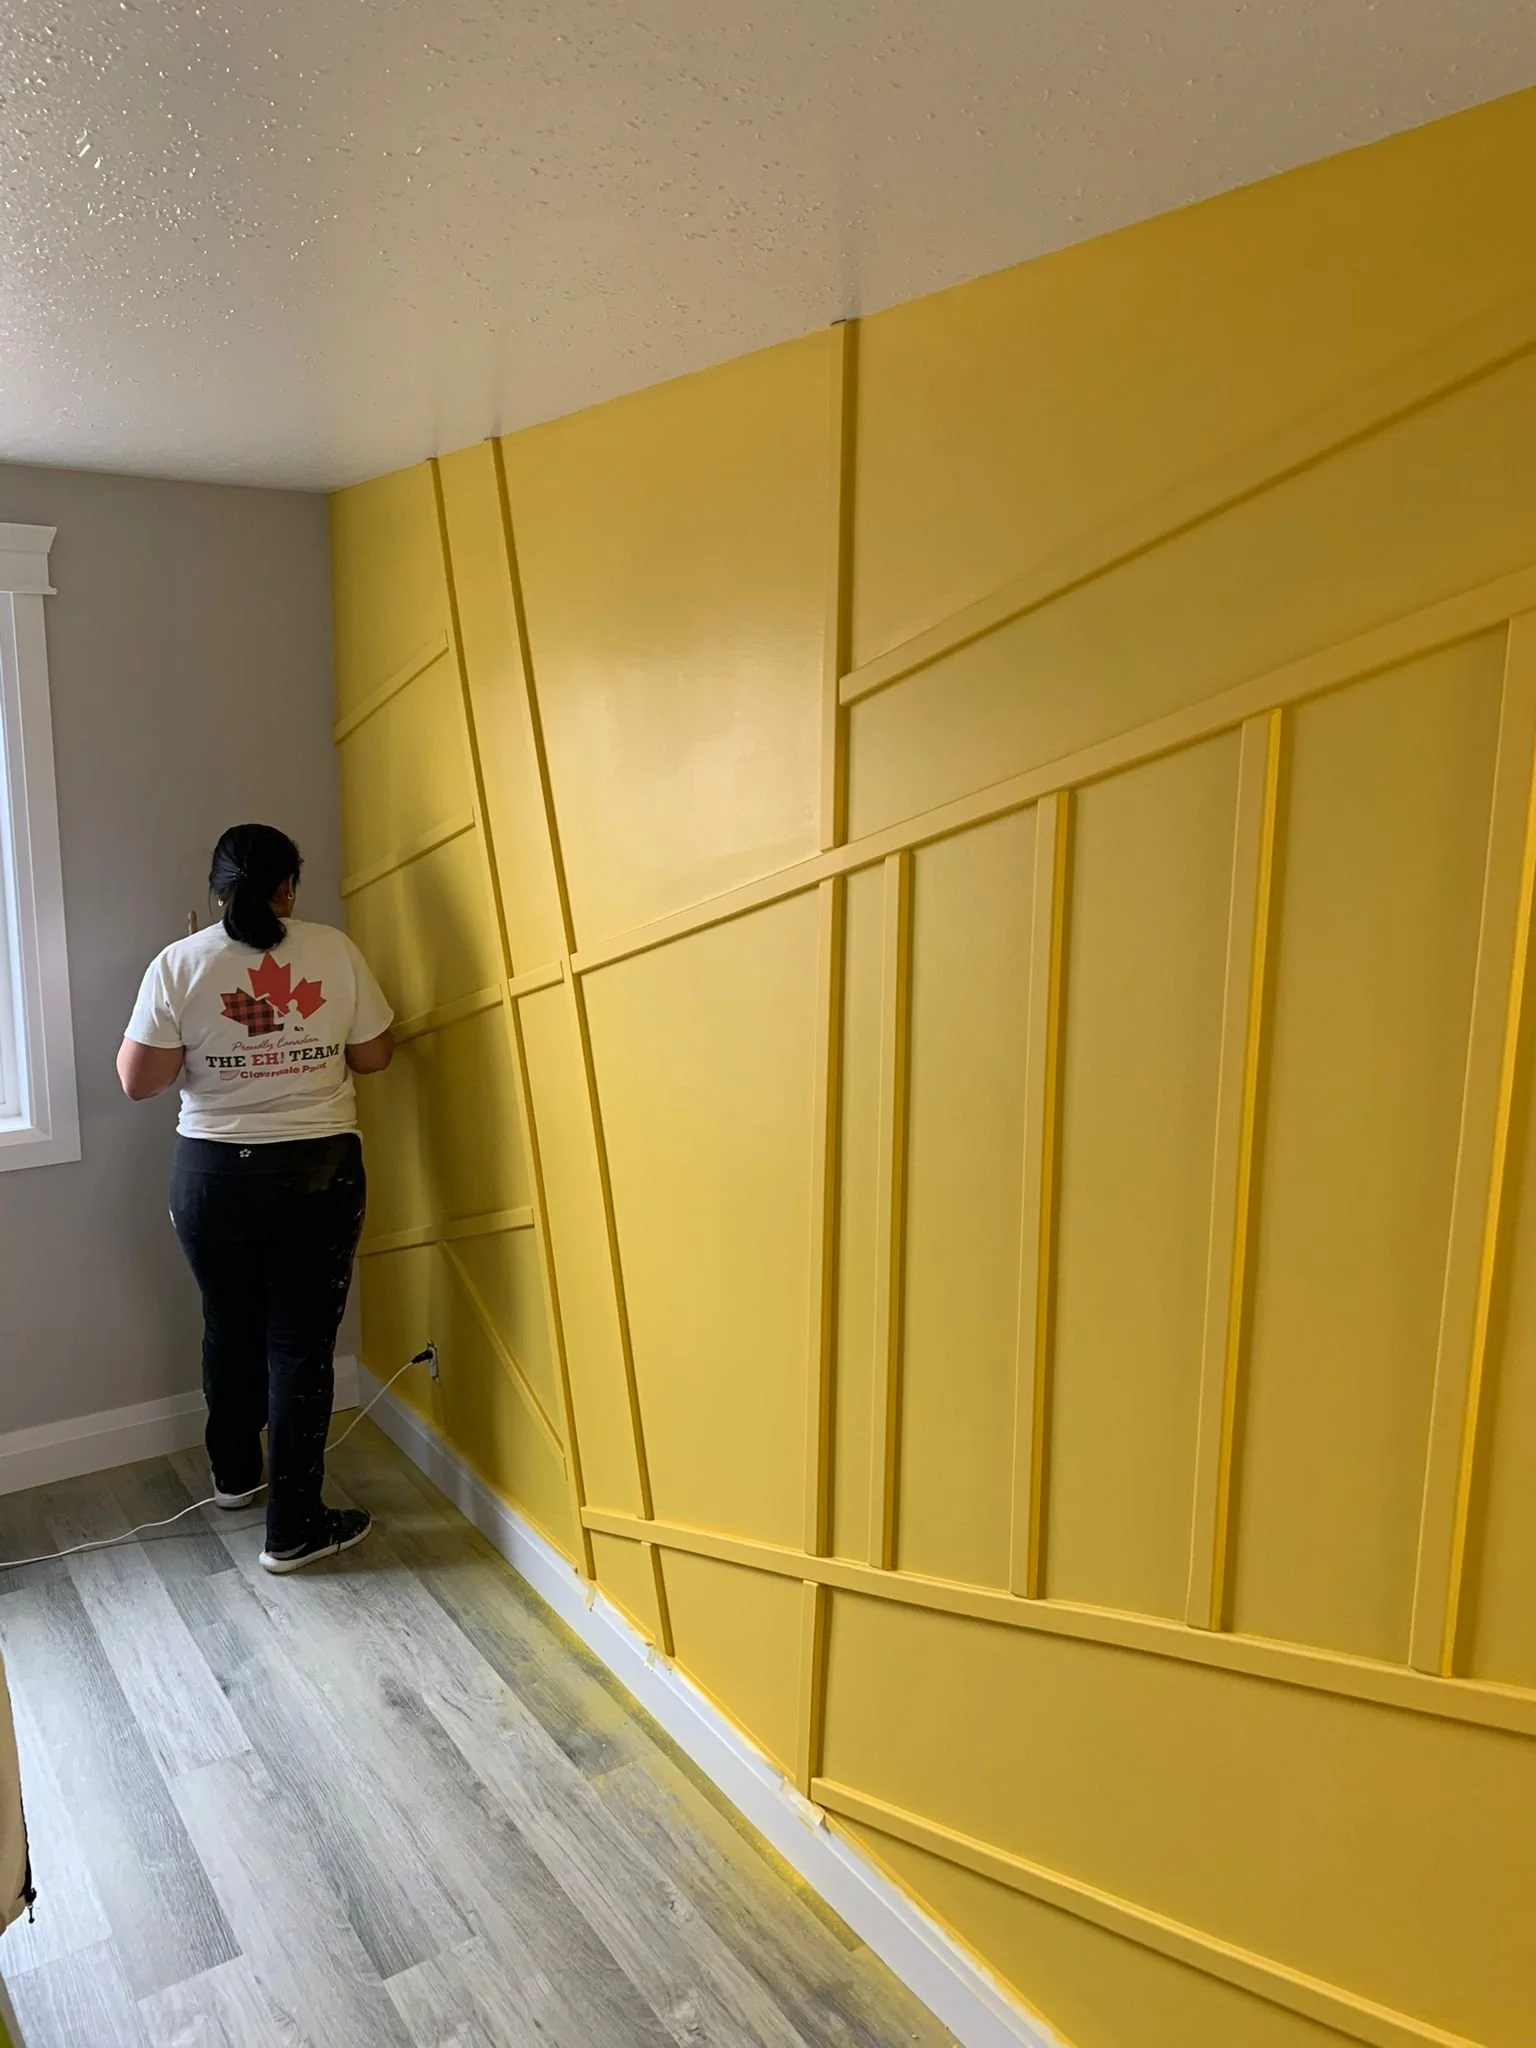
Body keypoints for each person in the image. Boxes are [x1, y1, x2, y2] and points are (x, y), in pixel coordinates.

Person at [117, 824, 395, 1573]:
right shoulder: (333, 949)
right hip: (315, 1175)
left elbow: (139, 1081)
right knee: (299, 1350)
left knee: (229, 1327)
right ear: (287, 888)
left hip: (213, 1181)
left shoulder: (180, 963)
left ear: (217, 892)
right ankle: (294, 1527)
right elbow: (373, 1056)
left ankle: (235, 1477)